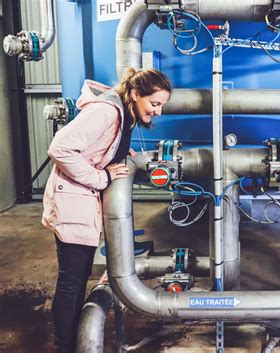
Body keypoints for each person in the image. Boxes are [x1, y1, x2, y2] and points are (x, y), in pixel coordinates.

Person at [42, 68, 172, 352]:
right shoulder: (107, 112)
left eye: (162, 105)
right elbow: (60, 148)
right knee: (72, 281)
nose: (159, 111)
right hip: (72, 203)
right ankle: (65, 346)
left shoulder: (124, 116)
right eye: (155, 103)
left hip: (81, 204)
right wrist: (101, 178)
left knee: (76, 277)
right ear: (136, 94)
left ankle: (74, 338)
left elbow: (99, 146)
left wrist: (120, 150)